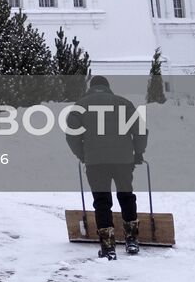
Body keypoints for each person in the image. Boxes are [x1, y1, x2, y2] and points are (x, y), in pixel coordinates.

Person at [63, 75, 149, 260]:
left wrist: (83, 155)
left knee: (102, 200)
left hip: (95, 162)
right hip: (123, 159)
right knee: (126, 196)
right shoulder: (124, 104)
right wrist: (138, 153)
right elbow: (140, 130)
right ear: (108, 87)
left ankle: (108, 245)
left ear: (91, 88)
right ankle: (132, 240)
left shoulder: (80, 106)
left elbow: (71, 135)